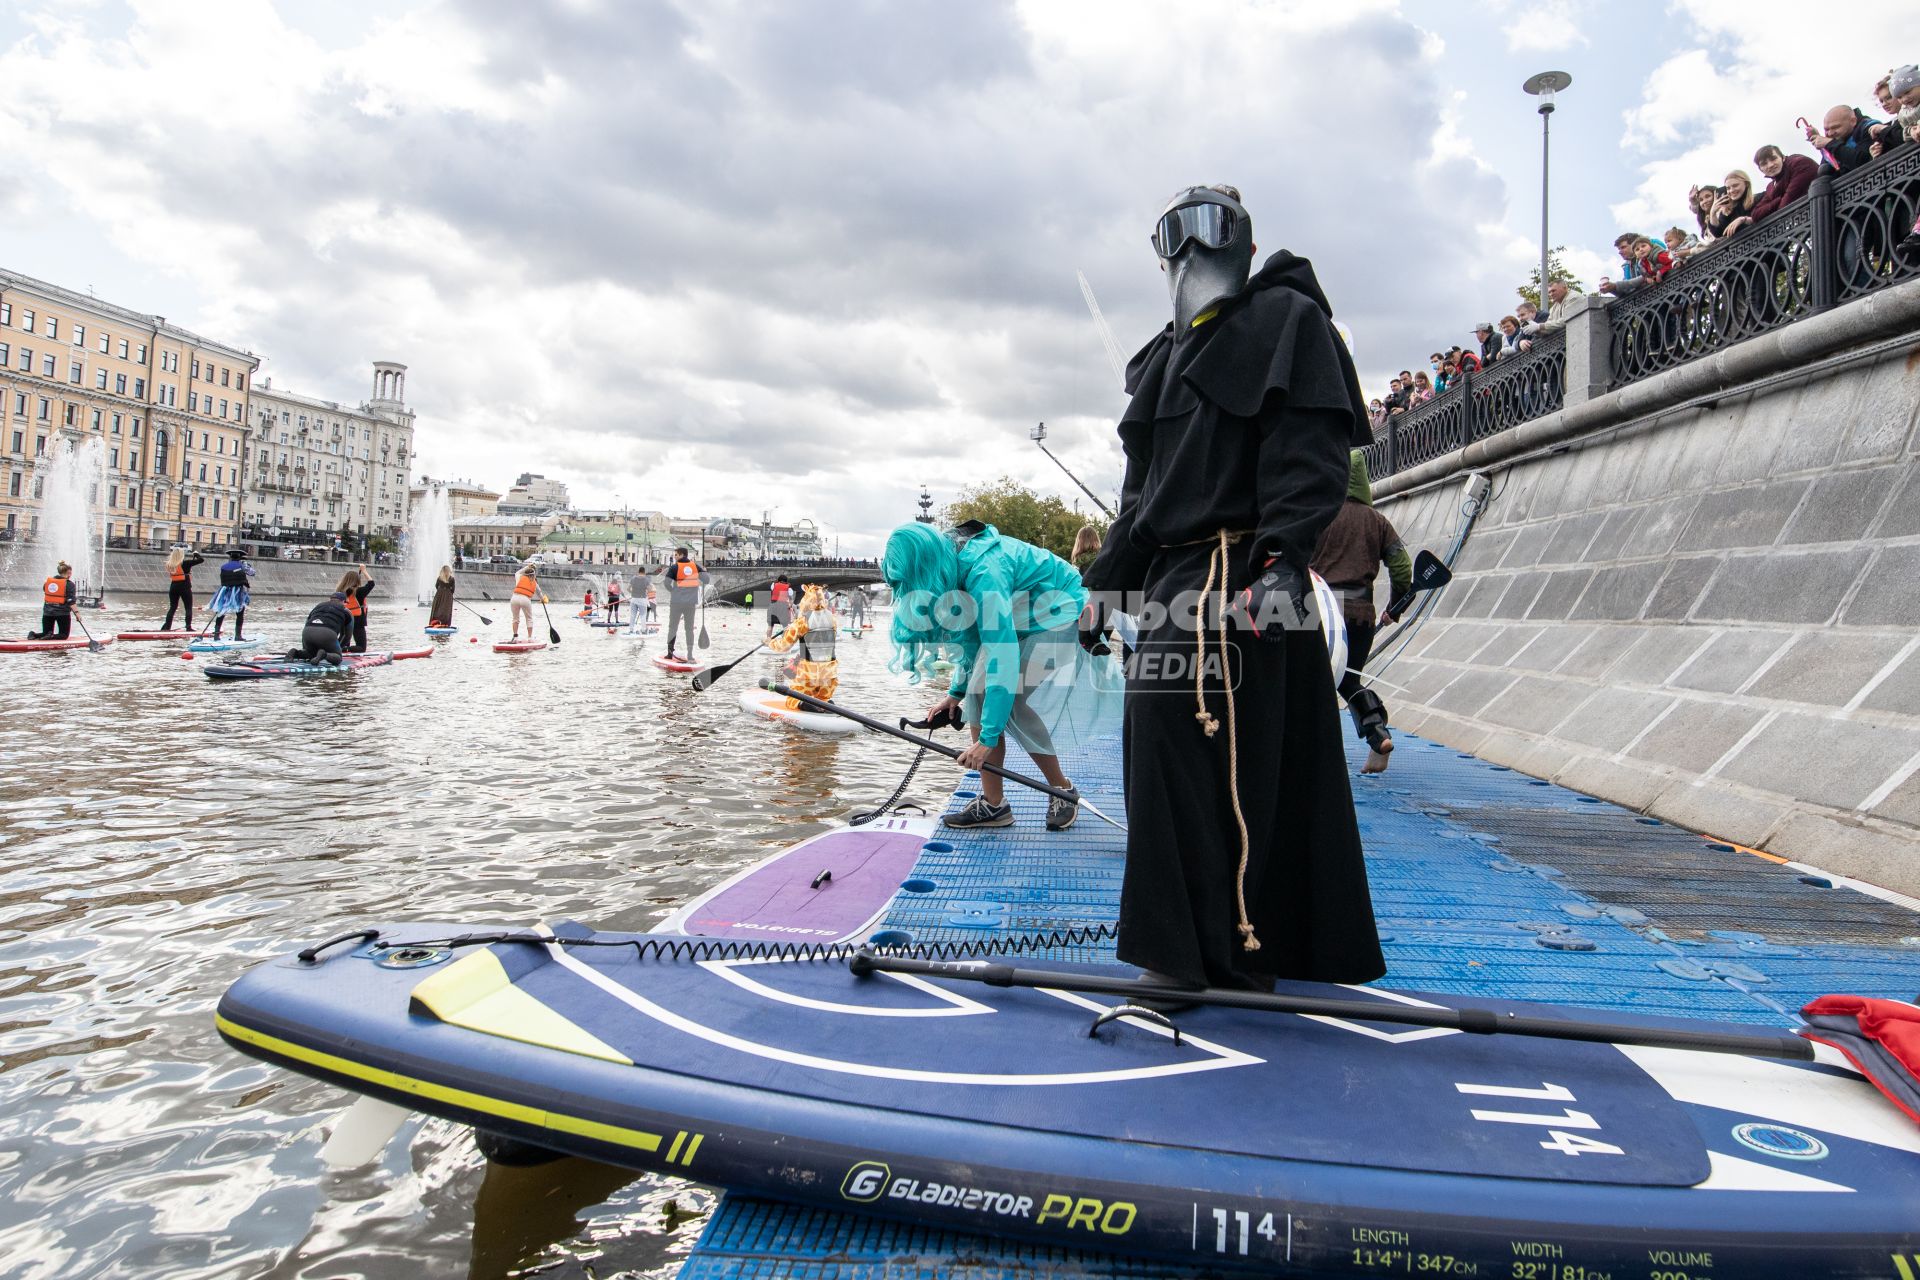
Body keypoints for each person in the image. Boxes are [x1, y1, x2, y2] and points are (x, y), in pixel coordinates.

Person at [1080, 182, 1384, 993]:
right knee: (1159, 751)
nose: (1188, 249)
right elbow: (1141, 498)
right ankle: (1199, 943)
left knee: (1228, 754)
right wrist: (1105, 584)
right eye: (1173, 232)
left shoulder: (1288, 322)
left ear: (1246, 244)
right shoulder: (1161, 360)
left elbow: (1311, 453)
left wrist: (1283, 558)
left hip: (1245, 572)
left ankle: (1220, 953)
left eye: (1208, 227)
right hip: (1176, 575)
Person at [885, 519, 1093, 831]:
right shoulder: (953, 564)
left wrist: (987, 738)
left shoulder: (985, 573)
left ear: (926, 568)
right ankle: (994, 805)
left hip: (1064, 611)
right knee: (977, 694)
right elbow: (973, 640)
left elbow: (1001, 656)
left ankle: (1062, 790)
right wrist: (956, 693)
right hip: (1026, 611)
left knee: (1012, 703)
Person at [1311, 452, 1413, 774]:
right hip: (1361, 615)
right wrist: (1395, 608)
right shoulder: (1377, 521)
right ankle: (1376, 731)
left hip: (1321, 612)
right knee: (1347, 678)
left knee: (1315, 682)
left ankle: (1318, 755)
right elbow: (1402, 570)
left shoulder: (1317, 514)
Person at [767, 582, 840, 706]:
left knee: (792, 701)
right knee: (823, 698)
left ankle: (802, 704)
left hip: (808, 674)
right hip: (829, 674)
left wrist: (770, 642)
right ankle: (825, 703)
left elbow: (784, 647)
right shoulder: (833, 619)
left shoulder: (801, 622)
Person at [1733, 146, 1818, 235]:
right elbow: (1756, 214)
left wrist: (1777, 200)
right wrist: (1778, 200)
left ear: (1783, 157)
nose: (1770, 165)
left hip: (1825, 211)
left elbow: (1785, 206)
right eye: (1764, 163)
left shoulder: (1799, 163)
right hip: (1809, 223)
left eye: (1773, 159)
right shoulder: (1771, 186)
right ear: (1760, 169)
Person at [1806, 104, 1880, 175]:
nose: (1830, 133)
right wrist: (1823, 147)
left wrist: (1830, 144)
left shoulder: (1869, 128)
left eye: (1835, 127)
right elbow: (1825, 171)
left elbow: (1862, 161)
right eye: (1826, 129)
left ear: (1853, 121)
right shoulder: (1835, 138)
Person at [290, 590, 352, 667]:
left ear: (330, 599)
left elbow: (306, 624)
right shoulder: (346, 611)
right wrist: (338, 649)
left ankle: (295, 653)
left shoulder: (318, 606)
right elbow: (347, 636)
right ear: (343, 601)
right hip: (327, 634)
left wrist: (305, 649)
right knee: (338, 658)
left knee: (311, 654)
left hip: (307, 632)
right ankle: (324, 654)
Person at [663, 546, 703, 658]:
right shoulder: (695, 566)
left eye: (676, 554)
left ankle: (670, 653)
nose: (674, 556)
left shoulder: (674, 567)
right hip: (691, 603)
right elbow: (707, 579)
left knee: (672, 627)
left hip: (676, 602)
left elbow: (666, 583)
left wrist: (673, 591)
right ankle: (690, 655)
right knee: (689, 629)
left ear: (681, 555)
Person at [208, 548, 254, 641]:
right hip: (238, 591)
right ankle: (238, 636)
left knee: (221, 612)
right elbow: (252, 573)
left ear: (231, 557)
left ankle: (216, 636)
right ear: (240, 557)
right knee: (240, 613)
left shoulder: (224, 566)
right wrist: (246, 565)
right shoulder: (242, 566)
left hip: (224, 591)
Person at [28, 561, 76, 640]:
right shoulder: (69, 584)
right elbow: (71, 601)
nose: (70, 575)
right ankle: (51, 636)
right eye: (70, 573)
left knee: (45, 633)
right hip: (62, 613)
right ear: (68, 573)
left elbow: (46, 592)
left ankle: (33, 634)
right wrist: (77, 614)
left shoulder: (48, 583)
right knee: (64, 635)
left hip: (47, 613)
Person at [161, 547, 205, 631]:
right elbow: (201, 560)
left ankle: (167, 627)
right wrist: (196, 554)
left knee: (172, 607)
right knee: (188, 608)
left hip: (173, 587)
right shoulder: (185, 563)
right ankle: (188, 627)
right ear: (181, 555)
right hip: (184, 587)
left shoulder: (169, 565)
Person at [509, 562, 545, 642]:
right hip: (525, 599)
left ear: (525, 573)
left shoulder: (519, 577)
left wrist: (527, 566)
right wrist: (542, 599)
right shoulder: (535, 583)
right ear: (533, 575)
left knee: (515, 619)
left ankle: (515, 637)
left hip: (514, 598)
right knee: (529, 619)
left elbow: (517, 572)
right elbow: (539, 593)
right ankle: (530, 638)